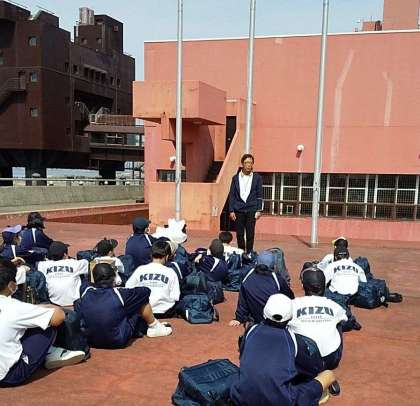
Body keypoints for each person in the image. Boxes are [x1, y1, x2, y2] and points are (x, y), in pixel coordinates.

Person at [230, 294, 337, 406]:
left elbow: (243, 356)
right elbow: (310, 370)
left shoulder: (251, 330)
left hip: (241, 397)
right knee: (328, 374)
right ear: (290, 317)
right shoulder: (294, 341)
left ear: (264, 313)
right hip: (281, 401)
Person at [0, 259, 86, 387]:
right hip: (9, 375)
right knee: (47, 326)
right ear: (11, 285)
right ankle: (50, 352)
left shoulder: (16, 307)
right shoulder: (15, 307)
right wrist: (44, 307)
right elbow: (58, 317)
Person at [74, 263, 172, 349]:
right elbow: (146, 291)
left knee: (83, 305)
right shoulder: (120, 293)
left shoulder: (86, 291)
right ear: (113, 278)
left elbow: (84, 290)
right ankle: (154, 326)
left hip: (91, 341)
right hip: (116, 340)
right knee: (140, 300)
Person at [288, 267, 347, 376]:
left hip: (303, 358)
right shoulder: (334, 305)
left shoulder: (292, 304)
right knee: (338, 322)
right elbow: (346, 319)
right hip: (330, 359)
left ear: (303, 286)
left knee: (286, 323)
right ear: (324, 286)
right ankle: (324, 369)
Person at [229, 251, 294, 326]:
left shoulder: (248, 275)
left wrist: (239, 318)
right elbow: (290, 298)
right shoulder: (277, 279)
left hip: (255, 320)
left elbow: (242, 300)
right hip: (276, 321)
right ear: (273, 266)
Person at [126, 240, 180, 318]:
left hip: (143, 312)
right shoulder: (171, 272)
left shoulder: (141, 269)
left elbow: (128, 287)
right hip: (165, 313)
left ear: (151, 255)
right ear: (167, 256)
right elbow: (175, 296)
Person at [323, 247, 366, 331]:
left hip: (338, 295)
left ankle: (347, 317)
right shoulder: (357, 266)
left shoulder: (331, 266)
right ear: (348, 256)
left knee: (323, 292)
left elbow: (322, 282)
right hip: (354, 296)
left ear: (335, 257)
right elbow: (364, 282)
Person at [228, 153, 263, 254]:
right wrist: (231, 210)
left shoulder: (257, 178)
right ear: (242, 164)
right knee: (239, 233)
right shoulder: (235, 178)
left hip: (252, 209)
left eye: (251, 163)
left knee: (250, 233)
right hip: (239, 209)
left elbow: (260, 194)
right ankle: (241, 252)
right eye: (247, 162)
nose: (249, 165)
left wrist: (259, 210)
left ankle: (249, 252)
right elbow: (232, 195)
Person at [37, 241, 89, 307]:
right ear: (65, 255)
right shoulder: (74, 263)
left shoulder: (43, 265)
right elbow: (86, 261)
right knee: (84, 276)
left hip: (53, 302)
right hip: (74, 302)